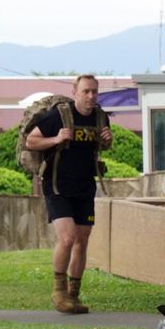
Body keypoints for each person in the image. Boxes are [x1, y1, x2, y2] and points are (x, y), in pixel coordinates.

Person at [26, 74, 111, 314]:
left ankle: (73, 295)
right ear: (75, 92)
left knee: (82, 242)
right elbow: (31, 142)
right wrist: (56, 138)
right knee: (67, 238)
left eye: (94, 91)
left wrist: (107, 140)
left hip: (85, 187)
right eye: (86, 91)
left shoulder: (100, 117)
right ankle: (59, 290)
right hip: (57, 185)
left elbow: (100, 147)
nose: (91, 96)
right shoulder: (58, 116)